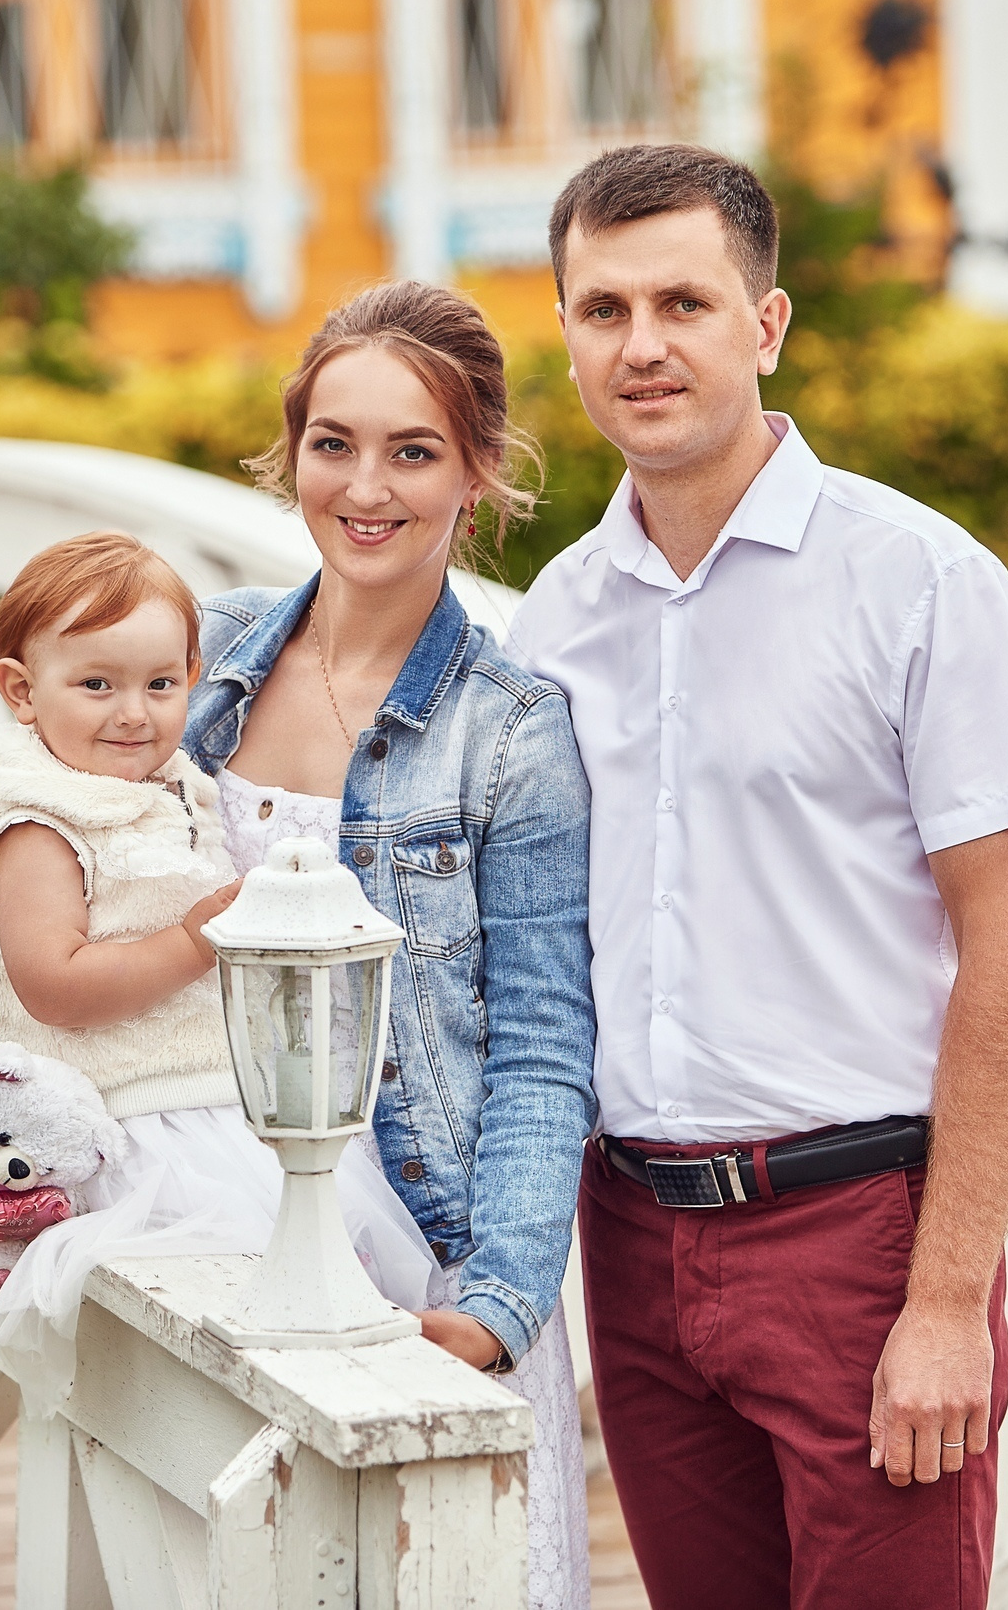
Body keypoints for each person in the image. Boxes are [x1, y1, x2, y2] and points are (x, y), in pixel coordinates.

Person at [504, 144, 1008, 1607]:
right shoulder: (554, 621)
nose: (642, 346)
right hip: (627, 1240)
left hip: (858, 1235)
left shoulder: (922, 581)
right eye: (602, 308)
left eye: (684, 302)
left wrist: (949, 1298)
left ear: (765, 325)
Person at [186, 280, 598, 1610]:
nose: (366, 486)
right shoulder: (204, 655)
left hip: (422, 1257)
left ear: (480, 471)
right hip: (200, 1230)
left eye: (414, 450)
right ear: (291, 448)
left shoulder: (514, 728)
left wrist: (498, 1305)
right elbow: (72, 865)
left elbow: (544, 1039)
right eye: (334, 442)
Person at [0, 532, 439, 1404]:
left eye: (162, 685)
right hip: (135, 1122)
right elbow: (51, 985)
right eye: (96, 685)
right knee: (227, 1333)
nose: (134, 713)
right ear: (22, 691)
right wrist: (194, 942)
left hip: (216, 1102)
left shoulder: (169, 784)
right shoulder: (34, 825)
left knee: (328, 1288)